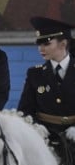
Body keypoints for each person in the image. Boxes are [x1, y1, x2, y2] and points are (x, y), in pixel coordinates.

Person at [18, 16, 75, 156]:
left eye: (46, 44)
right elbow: (24, 110)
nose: (40, 49)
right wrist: (36, 126)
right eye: (39, 44)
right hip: (44, 141)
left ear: (63, 44)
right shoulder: (34, 74)